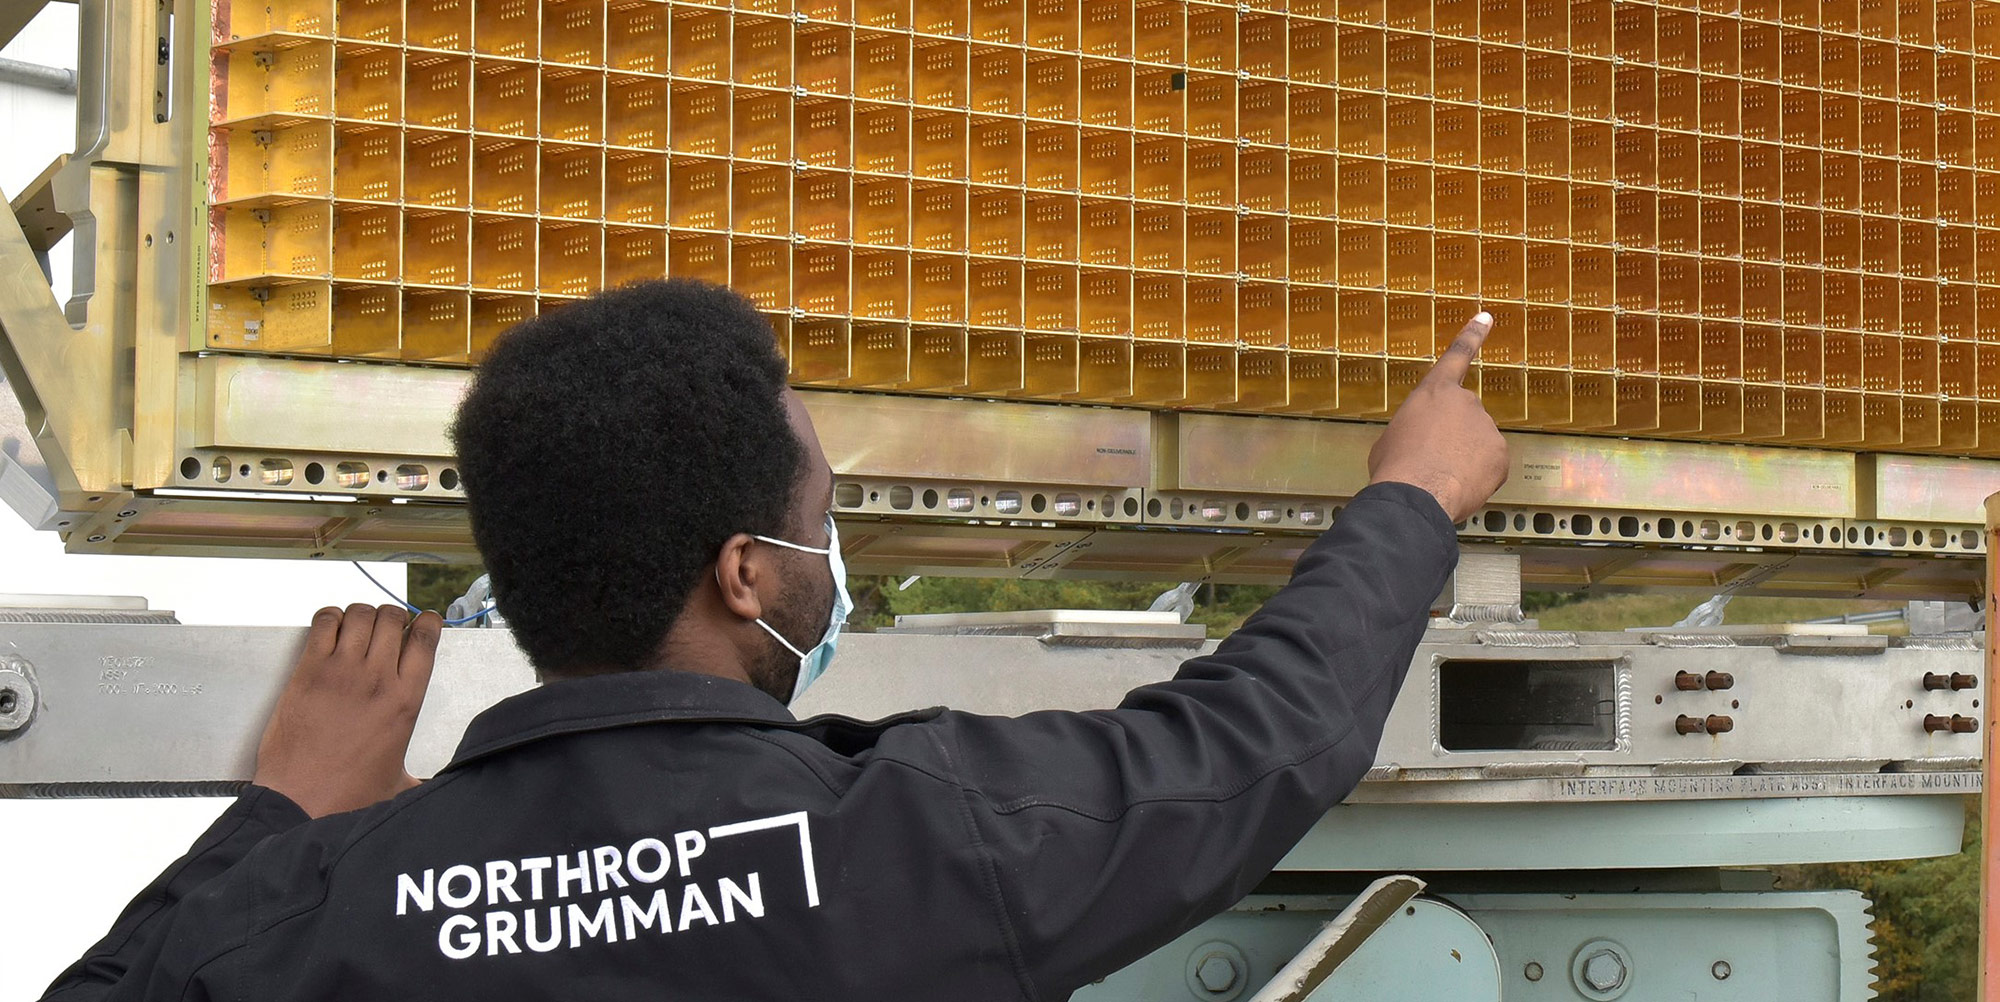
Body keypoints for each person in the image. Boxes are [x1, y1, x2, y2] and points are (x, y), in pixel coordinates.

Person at [41, 279, 1508, 1001]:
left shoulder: (307, 910)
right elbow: (1254, 743)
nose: (833, 542)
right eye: (823, 509)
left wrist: (282, 813)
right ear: (747, 572)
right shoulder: (914, 842)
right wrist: (1413, 496)